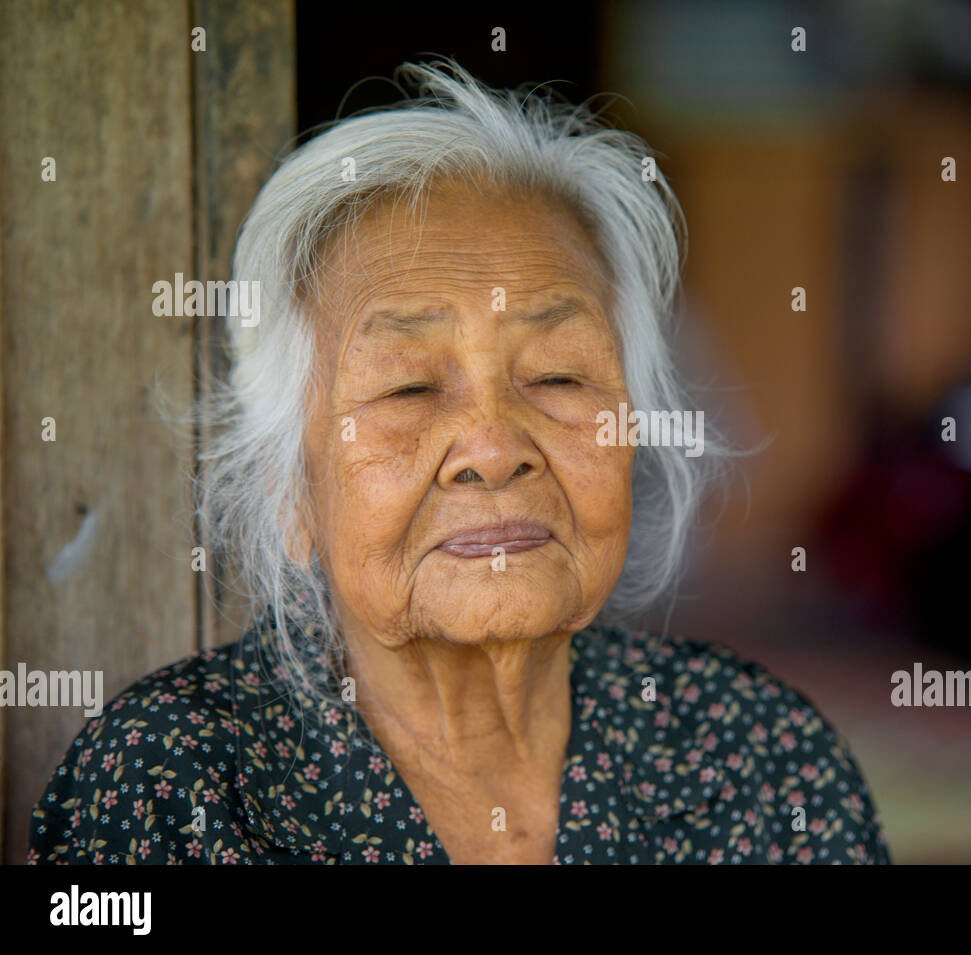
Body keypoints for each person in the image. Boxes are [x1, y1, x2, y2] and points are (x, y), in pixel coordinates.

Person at [29, 60, 889, 865]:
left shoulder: (758, 759)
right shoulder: (173, 786)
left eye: (557, 375)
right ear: (289, 489)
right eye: (407, 388)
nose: (492, 448)